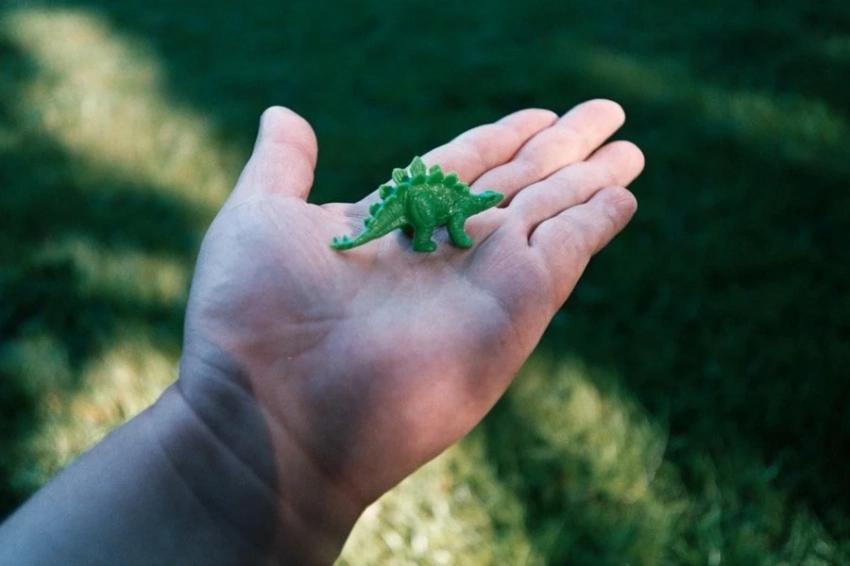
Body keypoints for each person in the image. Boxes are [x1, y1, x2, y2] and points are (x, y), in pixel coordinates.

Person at [0, 99, 644, 565]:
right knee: (424, 216)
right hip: (417, 213)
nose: (476, 214)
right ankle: (416, 230)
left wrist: (224, 446)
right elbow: (440, 213)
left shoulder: (468, 210)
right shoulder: (450, 211)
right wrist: (231, 436)